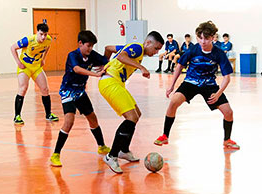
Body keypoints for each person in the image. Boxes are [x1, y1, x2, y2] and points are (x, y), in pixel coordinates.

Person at [154, 21, 240, 150]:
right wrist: (171, 85)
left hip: (209, 84)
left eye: (206, 38)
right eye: (200, 38)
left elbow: (227, 77)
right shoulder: (193, 49)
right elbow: (179, 66)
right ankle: (165, 135)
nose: (203, 41)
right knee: (173, 102)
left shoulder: (219, 53)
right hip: (190, 82)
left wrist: (218, 93)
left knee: (228, 112)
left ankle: (227, 140)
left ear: (212, 37)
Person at [99, 31, 164, 173]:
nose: (156, 52)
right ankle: (112, 155)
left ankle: (124, 150)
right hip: (110, 82)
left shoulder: (133, 49)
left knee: (137, 114)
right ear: (147, 43)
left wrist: (104, 63)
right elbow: (122, 56)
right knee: (131, 117)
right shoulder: (138, 47)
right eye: (156, 48)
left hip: (116, 83)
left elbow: (109, 48)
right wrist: (141, 67)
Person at [50, 30, 111, 167]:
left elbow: (106, 60)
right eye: (88, 45)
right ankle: (56, 154)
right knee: (69, 121)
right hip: (68, 91)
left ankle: (101, 146)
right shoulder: (73, 55)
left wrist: (105, 64)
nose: (90, 49)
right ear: (80, 43)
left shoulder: (92, 55)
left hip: (80, 92)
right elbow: (77, 69)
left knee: (93, 118)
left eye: (92, 46)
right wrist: (95, 75)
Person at [10, 23, 59, 124]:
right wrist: (19, 63)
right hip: (25, 67)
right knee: (23, 89)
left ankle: (48, 114)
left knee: (45, 89)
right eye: (41, 34)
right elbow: (13, 48)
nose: (43, 37)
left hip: (36, 67)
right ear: (37, 32)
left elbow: (47, 47)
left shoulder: (48, 40)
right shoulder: (28, 40)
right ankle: (17, 116)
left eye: (45, 34)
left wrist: (43, 59)